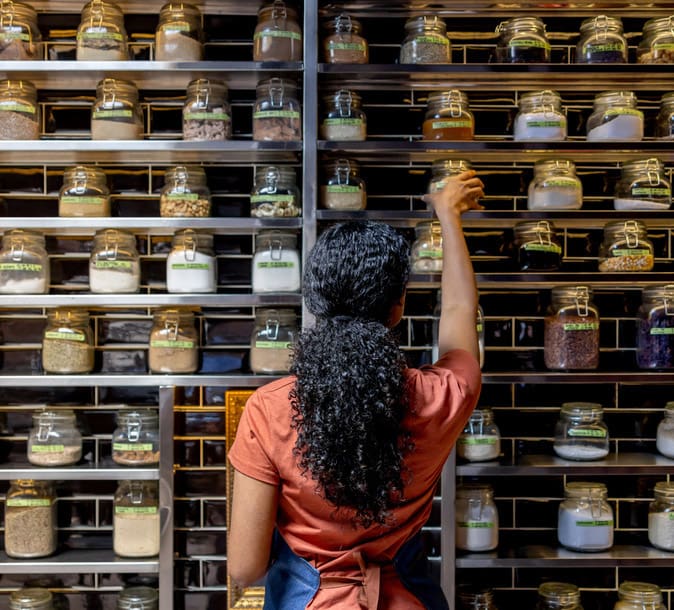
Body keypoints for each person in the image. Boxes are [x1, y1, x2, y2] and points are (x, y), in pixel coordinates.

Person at [227, 169, 485, 610]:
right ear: (398, 306)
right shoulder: (441, 396)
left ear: (315, 301)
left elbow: (244, 568)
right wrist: (447, 215)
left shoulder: (268, 410)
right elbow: (460, 309)